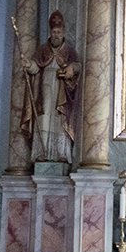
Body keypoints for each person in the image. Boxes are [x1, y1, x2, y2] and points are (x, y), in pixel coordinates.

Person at [22, 11, 81, 164]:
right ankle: (42, 152)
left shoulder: (69, 51)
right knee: (44, 117)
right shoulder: (42, 50)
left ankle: (61, 153)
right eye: (54, 32)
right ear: (50, 32)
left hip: (62, 91)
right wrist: (29, 65)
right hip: (45, 88)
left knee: (60, 118)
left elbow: (78, 66)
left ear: (63, 33)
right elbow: (35, 67)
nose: (56, 35)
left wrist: (72, 69)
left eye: (59, 32)